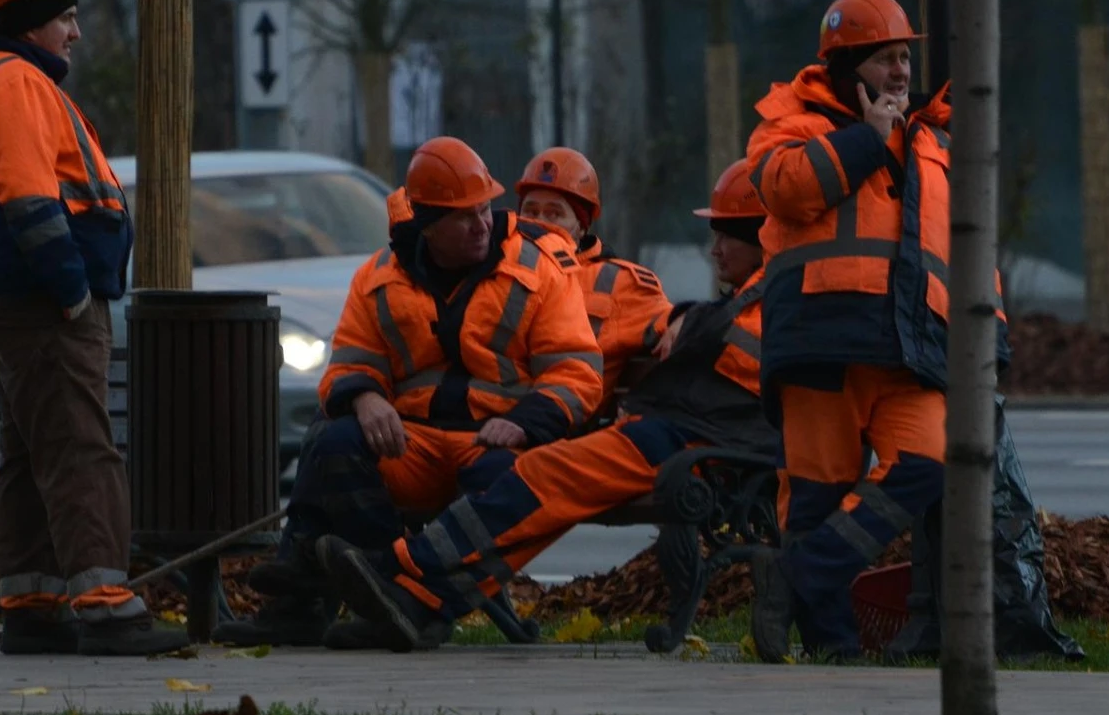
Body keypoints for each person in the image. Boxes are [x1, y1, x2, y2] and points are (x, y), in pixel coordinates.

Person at [311, 185, 774, 652]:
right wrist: (690, 318)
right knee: (533, 485)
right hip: (670, 430)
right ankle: (418, 601)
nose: (714, 248)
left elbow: (723, 356)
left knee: (536, 476)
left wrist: (681, 319)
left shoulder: (762, 293)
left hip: (691, 439)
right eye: (531, 209)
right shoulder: (757, 291)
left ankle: (398, 569)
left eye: (726, 236)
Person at [212, 137, 604, 647]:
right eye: (465, 217)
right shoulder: (378, 278)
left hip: (498, 448)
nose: (482, 224)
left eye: (485, 209)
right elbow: (349, 364)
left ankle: (387, 596)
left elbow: (577, 373)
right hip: (412, 448)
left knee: (503, 483)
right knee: (333, 440)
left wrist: (526, 423)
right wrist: (366, 398)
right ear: (426, 224)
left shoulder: (540, 269)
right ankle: (383, 593)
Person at [742, 0, 1007, 662]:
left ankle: (797, 577)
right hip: (820, 339)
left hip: (908, 345)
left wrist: (991, 339)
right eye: (885, 59)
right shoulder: (791, 120)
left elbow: (966, 245)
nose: (900, 73)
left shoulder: (932, 141)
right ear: (846, 65)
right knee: (815, 496)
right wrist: (868, 138)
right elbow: (786, 189)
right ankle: (834, 647)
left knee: (927, 462)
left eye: (904, 59)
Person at [0, 0, 187, 657]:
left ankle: (34, 602)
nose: (75, 33)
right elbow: (29, 198)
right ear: (30, 18)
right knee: (82, 448)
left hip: (19, 296)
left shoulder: (0, 79)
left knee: (30, 450)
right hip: (44, 300)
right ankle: (106, 604)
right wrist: (72, 290)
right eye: (65, 17)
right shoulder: (17, 86)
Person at [514, 148, 674, 417]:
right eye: (530, 212)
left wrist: (679, 320)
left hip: (562, 428)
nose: (538, 224)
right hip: (493, 418)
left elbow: (674, 321)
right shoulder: (498, 270)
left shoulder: (621, 283)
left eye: (554, 214)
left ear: (582, 226)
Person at [697, 158, 768, 295]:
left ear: (761, 239)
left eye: (726, 237)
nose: (715, 251)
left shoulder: (773, 310)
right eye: (717, 236)